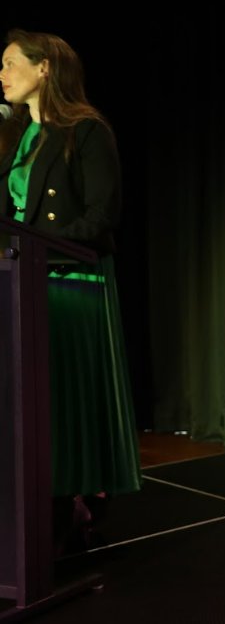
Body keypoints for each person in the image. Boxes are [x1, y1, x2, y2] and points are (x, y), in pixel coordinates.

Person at [0, 29, 141, 554]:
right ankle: (32, 509)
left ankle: (70, 502)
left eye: (11, 63)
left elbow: (102, 216)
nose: (3, 74)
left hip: (69, 287)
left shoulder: (85, 131)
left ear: (44, 69)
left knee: (60, 404)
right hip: (21, 285)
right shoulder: (15, 138)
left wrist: (38, 242)